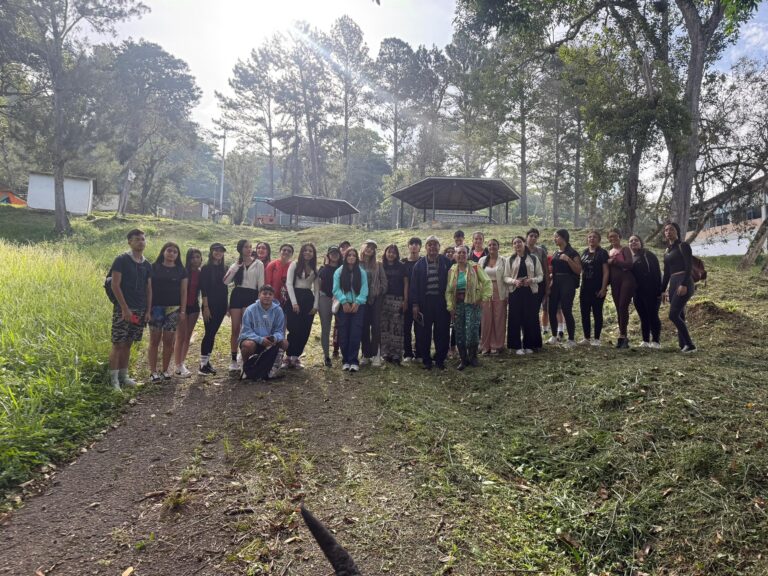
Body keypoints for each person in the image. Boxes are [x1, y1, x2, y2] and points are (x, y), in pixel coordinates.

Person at [108, 229, 152, 390]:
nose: (141, 242)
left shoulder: (147, 264)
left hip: (139, 310)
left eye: (143, 239)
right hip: (123, 310)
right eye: (137, 239)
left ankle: (124, 376)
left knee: (128, 343)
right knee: (118, 343)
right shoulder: (121, 260)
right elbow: (115, 285)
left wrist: (148, 311)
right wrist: (125, 308)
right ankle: (114, 381)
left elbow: (149, 289)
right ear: (129, 242)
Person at [410, 235, 454, 370]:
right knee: (424, 332)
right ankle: (426, 360)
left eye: (435, 244)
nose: (432, 247)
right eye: (430, 244)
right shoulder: (419, 264)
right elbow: (414, 286)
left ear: (439, 247)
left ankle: (440, 359)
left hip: (442, 302)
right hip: (425, 302)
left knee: (442, 331)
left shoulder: (447, 262)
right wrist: (415, 304)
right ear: (426, 247)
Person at [148, 242, 188, 382]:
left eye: (175, 252)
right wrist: (148, 309)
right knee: (154, 340)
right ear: (163, 252)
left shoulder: (181, 270)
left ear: (178, 255)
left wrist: (182, 311)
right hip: (156, 308)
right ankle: (153, 372)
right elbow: (149, 289)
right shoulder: (154, 267)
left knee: (169, 341)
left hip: (174, 309)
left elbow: (184, 291)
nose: (171, 254)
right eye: (169, 251)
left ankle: (165, 370)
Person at [446, 245, 491, 370]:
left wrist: (482, 298)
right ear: (455, 255)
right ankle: (463, 359)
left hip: (472, 304)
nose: (461, 255)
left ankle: (473, 357)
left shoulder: (475, 267)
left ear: (467, 254)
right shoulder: (452, 270)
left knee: (472, 331)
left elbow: (487, 282)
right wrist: (450, 306)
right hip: (458, 305)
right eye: (458, 253)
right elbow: (449, 291)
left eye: (464, 253)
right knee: (459, 332)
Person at [223, 239, 264, 370]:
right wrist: (236, 266)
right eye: (246, 247)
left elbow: (261, 284)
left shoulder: (258, 263)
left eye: (250, 247)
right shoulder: (236, 264)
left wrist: (260, 302)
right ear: (240, 249)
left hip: (251, 295)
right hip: (237, 295)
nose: (249, 249)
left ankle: (244, 355)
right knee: (235, 328)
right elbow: (225, 281)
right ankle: (234, 359)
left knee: (246, 327)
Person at [502, 236, 544, 355]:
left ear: (524, 243)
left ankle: (529, 344)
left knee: (530, 317)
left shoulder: (534, 258)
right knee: (515, 318)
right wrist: (514, 281)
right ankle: (516, 346)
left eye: (519, 242)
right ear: (513, 246)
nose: (517, 245)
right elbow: (505, 277)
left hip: (530, 291)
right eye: (514, 243)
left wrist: (532, 280)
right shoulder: (509, 259)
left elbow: (541, 276)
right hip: (515, 292)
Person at [238, 285, 287, 380]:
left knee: (284, 343)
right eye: (264, 293)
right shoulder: (250, 309)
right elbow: (246, 331)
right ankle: (245, 367)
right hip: (254, 340)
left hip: (270, 341)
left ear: (273, 297)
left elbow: (280, 331)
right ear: (259, 295)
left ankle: (273, 368)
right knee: (248, 345)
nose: (267, 296)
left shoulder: (278, 310)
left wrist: (274, 338)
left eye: (270, 294)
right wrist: (260, 340)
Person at [661, 222, 697, 353]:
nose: (668, 231)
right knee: (680, 314)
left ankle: (690, 344)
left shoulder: (684, 246)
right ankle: (683, 345)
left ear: (677, 231)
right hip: (673, 282)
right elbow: (666, 273)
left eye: (671, 229)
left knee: (673, 314)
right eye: (666, 230)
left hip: (684, 281)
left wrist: (683, 284)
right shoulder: (667, 251)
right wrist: (662, 290)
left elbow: (689, 267)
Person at [284, 243, 319, 369]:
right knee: (294, 328)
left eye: (310, 251)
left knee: (305, 329)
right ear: (301, 252)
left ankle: (296, 357)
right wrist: (294, 302)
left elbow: (316, 289)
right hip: (295, 296)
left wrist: (315, 306)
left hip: (308, 298)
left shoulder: (315, 268)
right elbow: (289, 284)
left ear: (313, 254)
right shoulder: (294, 264)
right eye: (305, 250)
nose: (308, 253)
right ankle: (288, 356)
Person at [333, 248, 369, 371]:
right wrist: (344, 301)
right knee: (344, 332)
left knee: (355, 333)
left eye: (354, 255)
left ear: (357, 258)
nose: (352, 257)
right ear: (345, 257)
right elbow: (336, 289)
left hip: (358, 307)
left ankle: (354, 360)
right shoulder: (339, 271)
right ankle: (346, 360)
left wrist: (358, 302)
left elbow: (365, 289)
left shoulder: (362, 272)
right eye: (349, 255)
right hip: (344, 306)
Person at [198, 243, 228, 375]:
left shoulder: (224, 268)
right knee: (209, 333)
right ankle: (202, 365)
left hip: (221, 305)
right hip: (209, 305)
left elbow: (225, 289)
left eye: (221, 251)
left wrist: (227, 305)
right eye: (216, 250)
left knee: (213, 333)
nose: (218, 253)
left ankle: (207, 362)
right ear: (211, 252)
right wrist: (205, 307)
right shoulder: (205, 268)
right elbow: (203, 289)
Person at [548, 229, 582, 348]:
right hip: (555, 282)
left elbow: (578, 270)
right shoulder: (556, 252)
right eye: (554, 237)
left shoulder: (573, 253)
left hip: (567, 282)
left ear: (564, 238)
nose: (554, 239)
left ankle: (571, 339)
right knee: (551, 309)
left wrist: (568, 259)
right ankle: (553, 336)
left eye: (556, 237)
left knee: (566, 309)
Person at [629, 235, 662, 348]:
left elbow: (657, 273)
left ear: (641, 242)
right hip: (637, 293)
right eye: (631, 241)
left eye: (636, 240)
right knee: (643, 317)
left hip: (651, 291)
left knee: (652, 315)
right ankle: (645, 340)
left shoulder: (648, 255)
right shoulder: (631, 258)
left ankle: (656, 341)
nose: (633, 242)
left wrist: (659, 291)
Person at [174, 248, 202, 377]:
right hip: (182, 307)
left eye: (197, 257)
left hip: (194, 307)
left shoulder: (201, 273)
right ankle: (177, 365)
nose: (195, 259)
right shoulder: (183, 272)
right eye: (192, 257)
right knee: (180, 336)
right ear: (188, 259)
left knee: (187, 336)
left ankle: (182, 363)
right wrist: (182, 309)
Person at [607, 229, 637, 349]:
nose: (613, 238)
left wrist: (614, 261)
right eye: (610, 237)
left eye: (615, 236)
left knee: (623, 306)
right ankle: (621, 336)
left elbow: (629, 264)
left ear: (619, 237)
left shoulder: (625, 249)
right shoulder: (609, 251)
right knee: (618, 308)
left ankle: (623, 336)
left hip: (626, 280)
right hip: (615, 282)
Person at [360, 240, 388, 367]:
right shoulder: (357, 263)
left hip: (376, 300)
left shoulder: (378, 264)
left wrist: (379, 291)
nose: (370, 249)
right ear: (363, 247)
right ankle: (366, 354)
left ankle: (377, 354)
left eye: (372, 248)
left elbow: (384, 282)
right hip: (361, 300)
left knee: (376, 327)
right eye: (368, 246)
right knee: (364, 327)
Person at [579, 231, 610, 346]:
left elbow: (606, 272)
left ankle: (597, 339)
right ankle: (586, 338)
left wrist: (603, 288)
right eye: (590, 237)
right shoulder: (584, 252)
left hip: (597, 288)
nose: (592, 239)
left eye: (594, 237)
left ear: (599, 240)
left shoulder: (602, 253)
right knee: (584, 313)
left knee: (597, 313)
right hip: (585, 288)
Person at [381, 244, 408, 364]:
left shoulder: (402, 266)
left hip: (398, 299)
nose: (391, 254)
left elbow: (406, 283)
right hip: (384, 299)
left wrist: (405, 300)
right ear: (385, 253)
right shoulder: (381, 266)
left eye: (393, 252)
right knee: (384, 326)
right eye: (389, 252)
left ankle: (396, 354)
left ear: (397, 255)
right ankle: (385, 353)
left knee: (397, 327)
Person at [478, 239, 506, 354]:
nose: (492, 247)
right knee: (485, 319)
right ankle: (485, 345)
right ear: (487, 247)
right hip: (485, 292)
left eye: (494, 244)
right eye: (489, 245)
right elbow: (478, 278)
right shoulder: (482, 260)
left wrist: (507, 294)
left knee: (498, 318)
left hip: (499, 291)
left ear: (498, 246)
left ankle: (497, 345)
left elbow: (506, 277)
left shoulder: (504, 260)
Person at [318, 246, 342, 367]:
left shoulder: (343, 268)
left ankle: (343, 353)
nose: (334, 255)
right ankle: (326, 356)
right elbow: (319, 285)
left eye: (336, 253)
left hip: (340, 299)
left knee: (342, 327)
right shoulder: (323, 269)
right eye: (332, 253)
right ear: (328, 255)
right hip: (325, 299)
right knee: (325, 328)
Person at [401, 237, 423, 363]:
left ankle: (419, 353)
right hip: (406, 300)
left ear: (420, 247)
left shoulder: (423, 261)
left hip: (421, 300)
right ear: (408, 246)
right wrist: (404, 300)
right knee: (406, 328)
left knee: (419, 327)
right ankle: (407, 353)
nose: (414, 246)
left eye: (417, 244)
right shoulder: (403, 263)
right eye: (412, 244)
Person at [526, 228, 551, 334]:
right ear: (526, 237)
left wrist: (547, 286)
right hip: (525, 284)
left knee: (535, 310)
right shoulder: (521, 248)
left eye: (535, 236)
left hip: (539, 283)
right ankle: (526, 333)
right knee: (526, 310)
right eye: (531, 235)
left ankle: (535, 335)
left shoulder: (541, 251)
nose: (533, 238)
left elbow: (546, 269)